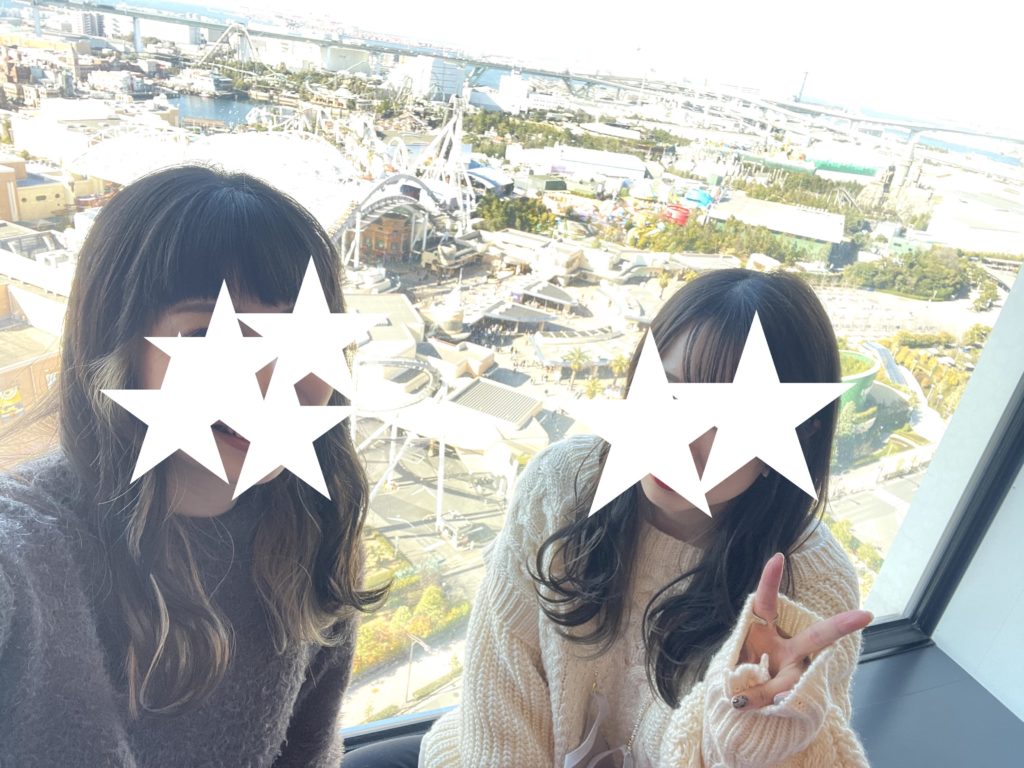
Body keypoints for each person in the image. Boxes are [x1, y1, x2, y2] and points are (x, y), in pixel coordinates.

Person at [0, 166, 384, 766]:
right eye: (205, 334)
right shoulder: (26, 550)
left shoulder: (315, 532)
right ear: (114, 346)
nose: (270, 380)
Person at [416, 269, 873, 767]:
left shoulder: (810, 587)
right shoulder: (562, 485)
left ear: (799, 434)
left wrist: (754, 734)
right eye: (668, 393)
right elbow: (500, 692)